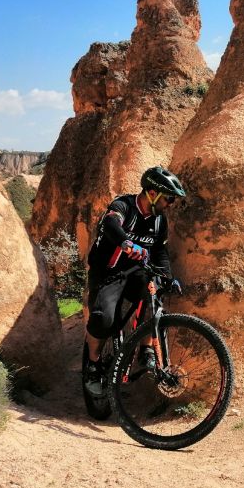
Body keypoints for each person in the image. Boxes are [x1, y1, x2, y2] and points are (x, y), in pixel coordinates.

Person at [83, 165, 185, 397]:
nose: (171, 204)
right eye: (168, 198)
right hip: (107, 271)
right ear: (152, 193)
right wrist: (126, 243)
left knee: (154, 295)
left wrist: (167, 278)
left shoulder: (160, 222)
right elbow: (111, 224)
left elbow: (159, 252)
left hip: (134, 273)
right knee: (103, 319)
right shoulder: (124, 206)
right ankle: (92, 365)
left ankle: (146, 349)